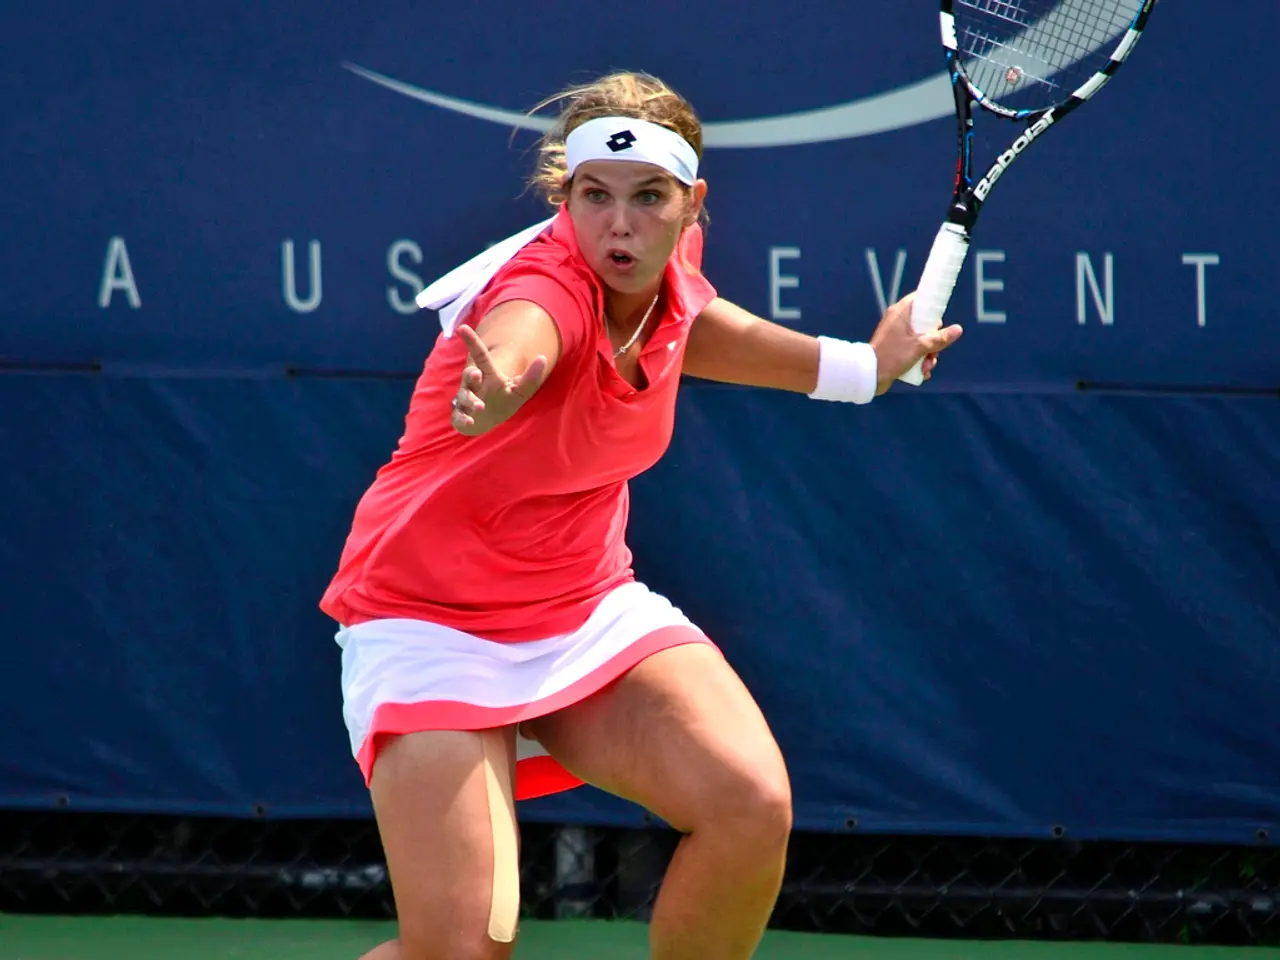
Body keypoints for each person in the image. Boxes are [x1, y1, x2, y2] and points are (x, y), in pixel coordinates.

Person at [320, 70, 962, 960]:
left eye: (648, 198)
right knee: (462, 950)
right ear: (566, 198)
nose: (619, 224)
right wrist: (504, 381)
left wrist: (861, 369)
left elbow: (694, 323)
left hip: (581, 607)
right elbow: (526, 333)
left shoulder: (665, 267)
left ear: (691, 205)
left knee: (748, 804)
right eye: (595, 197)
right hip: (430, 621)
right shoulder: (545, 289)